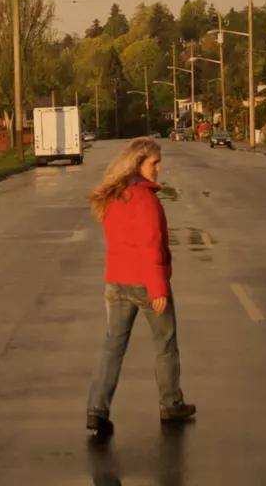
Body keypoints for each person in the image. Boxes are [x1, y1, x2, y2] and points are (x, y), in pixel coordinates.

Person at [84, 137, 195, 437]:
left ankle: (97, 409)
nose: (158, 168)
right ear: (138, 163)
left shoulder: (114, 196)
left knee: (112, 346)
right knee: (165, 344)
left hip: (116, 282)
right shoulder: (144, 199)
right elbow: (150, 246)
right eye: (154, 162)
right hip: (145, 284)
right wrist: (158, 288)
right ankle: (171, 403)